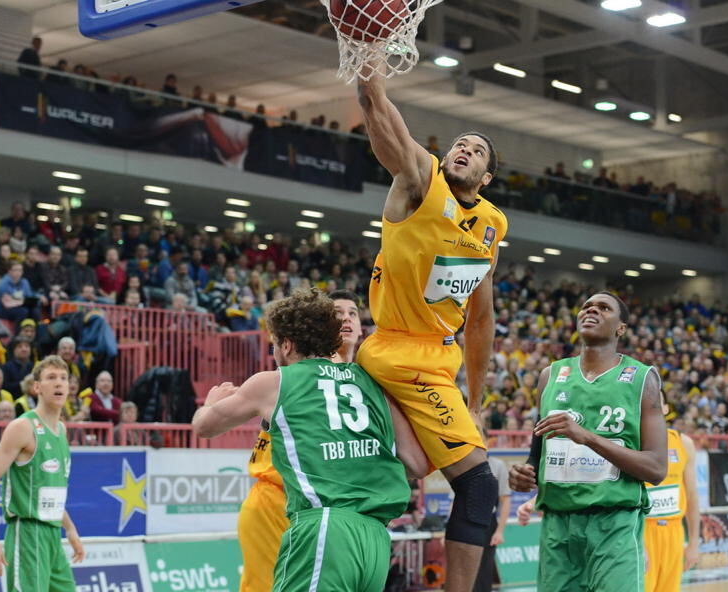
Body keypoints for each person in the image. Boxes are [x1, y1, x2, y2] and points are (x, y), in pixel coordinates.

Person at [355, 58, 508, 590]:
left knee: (412, 470)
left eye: (477, 148)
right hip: (399, 351)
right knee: (479, 488)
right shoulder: (421, 181)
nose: (464, 148)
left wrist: (477, 397)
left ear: (486, 177)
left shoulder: (491, 226)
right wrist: (367, 68)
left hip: (440, 363)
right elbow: (383, 121)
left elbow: (482, 318)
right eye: (460, 142)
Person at [193, 289, 427, 592]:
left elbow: (205, 428)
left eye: (275, 344)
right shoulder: (375, 384)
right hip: (376, 539)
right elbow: (418, 465)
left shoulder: (275, 382)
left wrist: (210, 403)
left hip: (325, 527)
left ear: (287, 345)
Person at [508, 292, 667, 592]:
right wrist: (525, 473)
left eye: (604, 308)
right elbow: (537, 450)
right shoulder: (550, 375)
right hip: (557, 525)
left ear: (621, 328)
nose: (591, 310)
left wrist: (589, 438)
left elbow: (657, 469)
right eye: (586, 307)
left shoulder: (642, 379)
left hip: (614, 523)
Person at [237, 289, 366, 592]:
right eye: (336, 313)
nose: (346, 318)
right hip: (277, 500)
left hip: (322, 513)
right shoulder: (308, 365)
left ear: (362, 327)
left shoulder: (361, 377)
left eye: (352, 313)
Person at [0, 355, 84, 587]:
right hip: (26, 533)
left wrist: (70, 529)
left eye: (64, 378)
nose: (59, 383)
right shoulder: (23, 427)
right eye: (51, 378)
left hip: (52, 534)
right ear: (37, 387)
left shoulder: (61, 431)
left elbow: (49, 492)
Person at [644, 391, 700, 592]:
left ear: (667, 408)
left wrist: (693, 542)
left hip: (674, 532)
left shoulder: (683, 443)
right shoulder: (633, 444)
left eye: (657, 403)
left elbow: (692, 496)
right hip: (643, 531)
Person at [473, 449, 512, 592]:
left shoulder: (498, 465)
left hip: (487, 522)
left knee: (484, 569)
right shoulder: (461, 463)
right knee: (464, 568)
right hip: (464, 520)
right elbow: (454, 501)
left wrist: (500, 531)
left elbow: (505, 499)